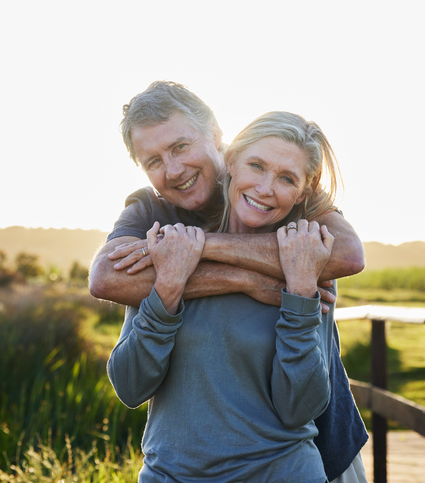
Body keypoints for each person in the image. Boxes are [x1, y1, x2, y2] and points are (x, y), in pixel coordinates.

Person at [90, 82, 368, 482]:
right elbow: (106, 279)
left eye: (181, 146)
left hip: (315, 451)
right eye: (153, 160)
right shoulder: (152, 216)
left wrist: (197, 248)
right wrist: (237, 277)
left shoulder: (296, 223)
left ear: (220, 139)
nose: (173, 169)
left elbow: (346, 254)